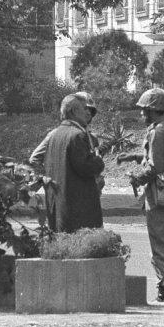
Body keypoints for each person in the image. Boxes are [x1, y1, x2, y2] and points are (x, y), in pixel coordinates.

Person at [125, 88, 164, 303]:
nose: (142, 115)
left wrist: (136, 177)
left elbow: (155, 167)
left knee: (160, 244)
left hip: (158, 193)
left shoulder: (157, 132)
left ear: (153, 110)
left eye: (144, 111)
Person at [43, 93, 105, 233]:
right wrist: (98, 160)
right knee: (82, 246)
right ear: (73, 111)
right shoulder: (77, 135)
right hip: (77, 206)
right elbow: (86, 167)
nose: (88, 112)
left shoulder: (56, 134)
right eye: (84, 108)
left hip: (60, 202)